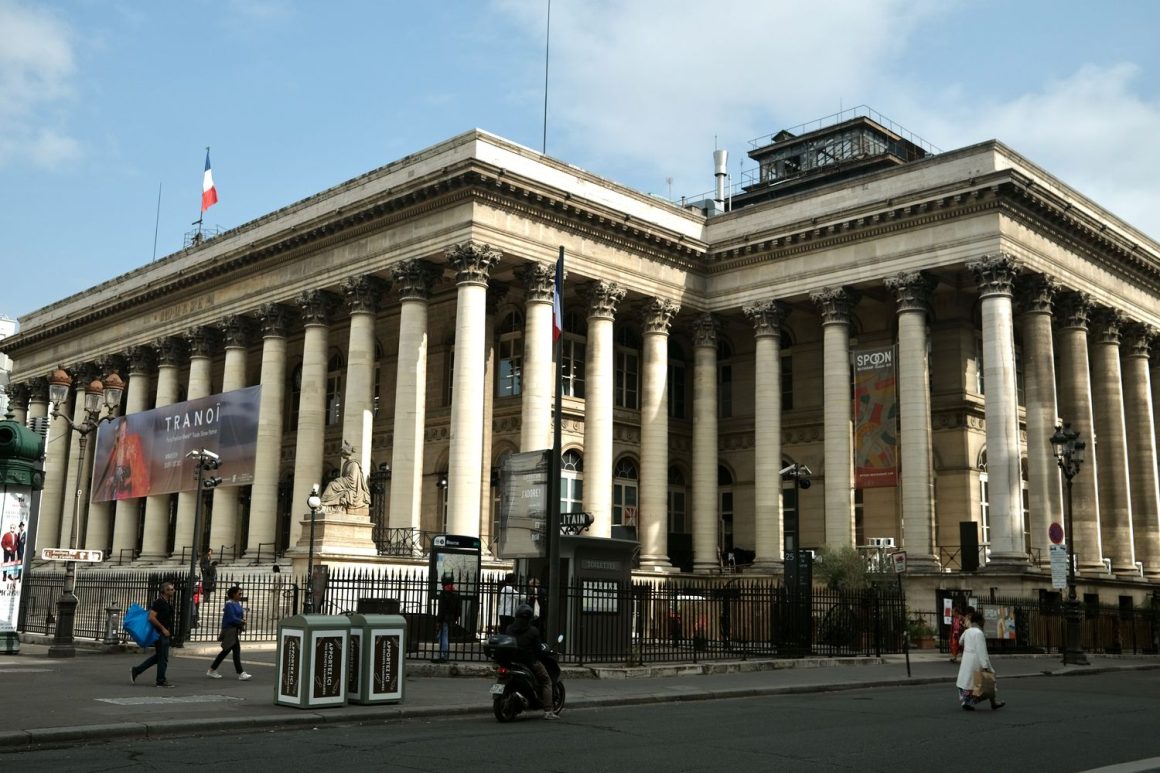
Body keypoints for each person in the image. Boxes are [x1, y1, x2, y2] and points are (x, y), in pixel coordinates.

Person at [505, 603, 557, 720]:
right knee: (546, 681)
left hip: (511, 661)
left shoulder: (509, 628)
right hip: (529, 662)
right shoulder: (533, 631)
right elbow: (538, 651)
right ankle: (548, 711)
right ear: (529, 617)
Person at [956, 610, 1005, 711]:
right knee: (988, 680)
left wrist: (968, 646)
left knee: (968, 683)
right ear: (979, 621)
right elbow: (981, 650)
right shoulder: (979, 633)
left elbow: (960, 642)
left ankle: (967, 701)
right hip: (976, 661)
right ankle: (993, 702)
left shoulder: (967, 631)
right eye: (983, 620)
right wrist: (985, 665)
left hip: (967, 660)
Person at [131, 581, 177, 688]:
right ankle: (160, 680)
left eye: (172, 589)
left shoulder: (166, 602)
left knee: (159, 657)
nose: (172, 591)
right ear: (163, 591)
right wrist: (163, 629)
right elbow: (151, 617)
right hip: (160, 633)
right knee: (163, 658)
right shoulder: (159, 602)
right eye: (169, 589)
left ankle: (137, 670)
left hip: (164, 633)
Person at [95, 418, 150, 500]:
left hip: (128, 488)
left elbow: (138, 469)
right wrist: (112, 479)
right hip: (117, 487)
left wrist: (130, 479)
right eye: (121, 431)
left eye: (124, 431)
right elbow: (113, 470)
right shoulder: (115, 449)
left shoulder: (132, 445)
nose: (123, 433)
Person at [207, 585, 252, 681]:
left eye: (241, 594)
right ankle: (240, 673)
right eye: (239, 594)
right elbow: (232, 618)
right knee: (234, 651)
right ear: (233, 594)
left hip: (234, 630)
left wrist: (241, 620)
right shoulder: (229, 604)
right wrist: (241, 621)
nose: (241, 595)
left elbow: (238, 614)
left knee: (227, 651)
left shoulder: (236, 603)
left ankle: (212, 669)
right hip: (230, 630)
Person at [319, 441, 371, 511]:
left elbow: (353, 480)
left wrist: (339, 480)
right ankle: (324, 503)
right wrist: (340, 480)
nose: (341, 455)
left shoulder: (354, 464)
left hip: (351, 487)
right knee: (332, 484)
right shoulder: (346, 464)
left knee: (332, 485)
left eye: (342, 453)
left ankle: (323, 503)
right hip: (345, 485)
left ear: (345, 453)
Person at [434, 575, 460, 663]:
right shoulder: (455, 595)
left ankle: (443, 655)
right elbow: (458, 609)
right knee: (444, 636)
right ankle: (443, 654)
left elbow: (441, 609)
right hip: (451, 619)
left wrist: (438, 620)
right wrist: (455, 618)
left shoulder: (443, 595)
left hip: (444, 619)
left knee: (443, 636)